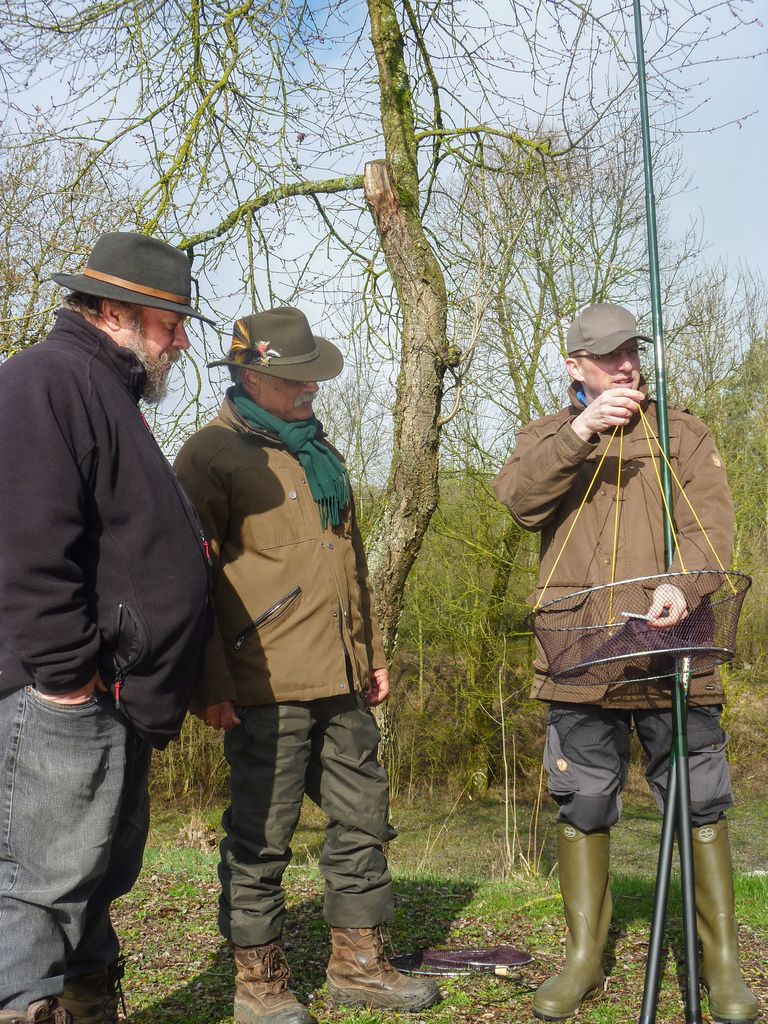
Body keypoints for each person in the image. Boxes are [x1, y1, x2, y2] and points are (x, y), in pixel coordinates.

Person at [174, 306, 440, 1024]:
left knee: (364, 818)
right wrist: (209, 685)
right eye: (297, 379)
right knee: (261, 837)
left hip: (342, 677)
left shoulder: (320, 452)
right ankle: (258, 985)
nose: (311, 389)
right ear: (252, 377)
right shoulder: (210, 456)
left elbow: (350, 564)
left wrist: (372, 655)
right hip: (263, 683)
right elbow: (189, 581)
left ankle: (360, 964)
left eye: (313, 377)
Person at [493, 303, 757, 1024]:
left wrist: (685, 585)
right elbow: (519, 503)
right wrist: (580, 433)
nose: (626, 366)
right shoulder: (544, 438)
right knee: (582, 801)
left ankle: (722, 968)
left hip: (677, 650)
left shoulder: (683, 434)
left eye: (631, 352)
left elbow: (715, 530)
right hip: (580, 657)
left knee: (700, 801)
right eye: (608, 356)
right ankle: (584, 959)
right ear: (574, 366)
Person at [0, 232, 213, 1024]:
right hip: (61, 697)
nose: (181, 341)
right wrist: (65, 678)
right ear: (115, 310)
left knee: (90, 881)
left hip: (112, 697)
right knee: (38, 890)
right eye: (170, 324)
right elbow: (25, 545)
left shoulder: (103, 390)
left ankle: (87, 1006)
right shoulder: (45, 382)